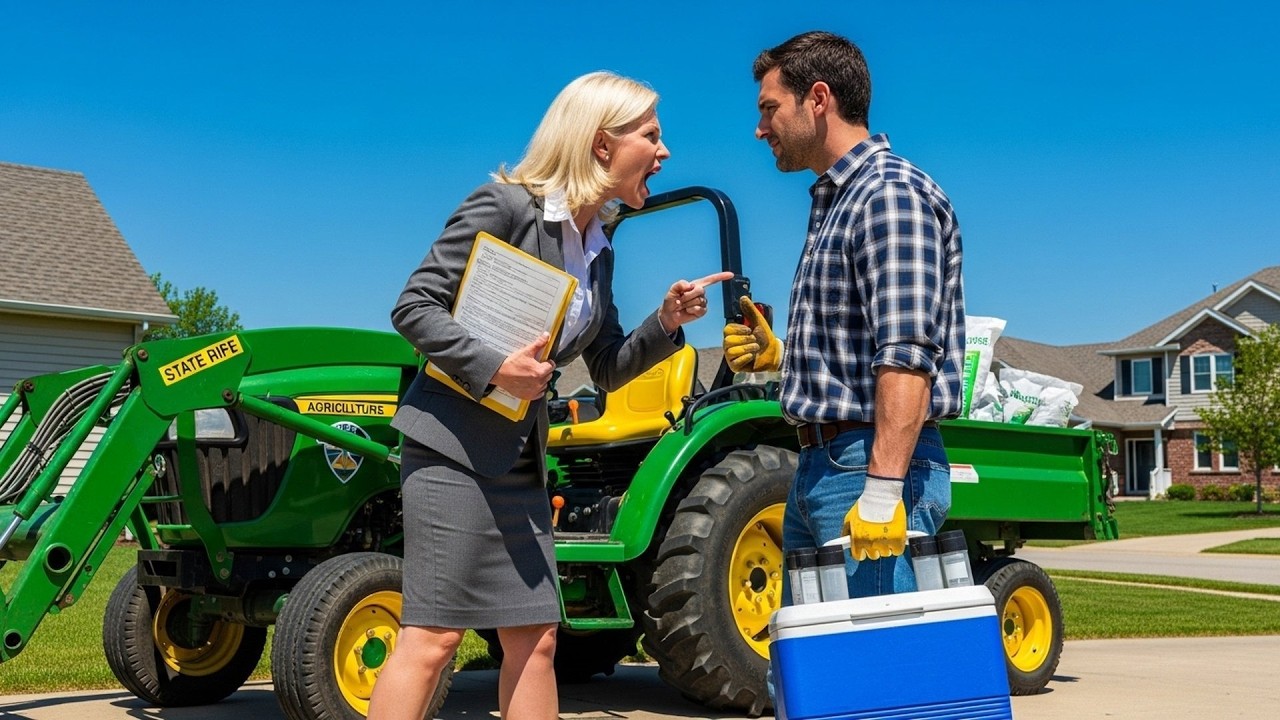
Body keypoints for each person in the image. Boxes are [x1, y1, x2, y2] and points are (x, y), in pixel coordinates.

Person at [370, 71, 731, 720]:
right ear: (601, 144)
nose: (665, 150)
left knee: (535, 642)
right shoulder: (505, 205)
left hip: (520, 464)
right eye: (652, 135)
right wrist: (494, 369)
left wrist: (668, 323)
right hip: (452, 449)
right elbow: (414, 306)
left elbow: (609, 363)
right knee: (434, 638)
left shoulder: (598, 247)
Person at [723, 31, 965, 599]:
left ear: (818, 99)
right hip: (822, 465)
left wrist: (882, 492)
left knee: (874, 671)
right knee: (818, 669)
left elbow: (907, 355)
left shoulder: (887, 194)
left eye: (769, 108)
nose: (760, 129)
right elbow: (862, 344)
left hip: (864, 466)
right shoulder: (840, 199)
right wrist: (781, 357)